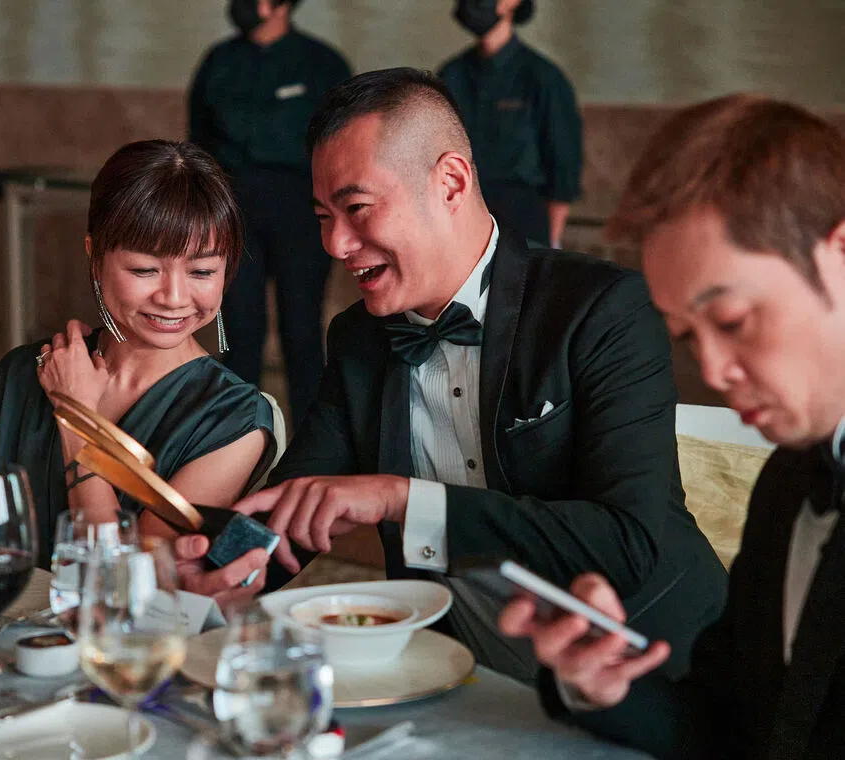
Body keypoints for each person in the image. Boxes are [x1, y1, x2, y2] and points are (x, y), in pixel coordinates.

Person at [233, 68, 727, 684]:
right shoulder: (359, 338)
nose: (335, 243)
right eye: (322, 216)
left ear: (451, 182)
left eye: (356, 208)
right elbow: (299, 504)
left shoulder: (601, 309)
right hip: (453, 671)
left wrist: (401, 499)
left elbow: (627, 541)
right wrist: (210, 570)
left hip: (646, 674)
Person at [499, 96, 845, 759]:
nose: (711, 370)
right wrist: (600, 682)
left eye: (733, 320)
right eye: (687, 335)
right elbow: (728, 729)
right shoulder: (788, 482)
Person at [0, 140, 279, 605]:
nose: (174, 297)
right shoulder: (19, 375)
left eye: (202, 272)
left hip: (118, 643)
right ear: (95, 256)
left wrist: (76, 418)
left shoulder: (234, 420)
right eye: (145, 269)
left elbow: (121, 591)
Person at [188, 0, 352, 427]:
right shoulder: (219, 61)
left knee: (302, 330)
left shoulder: (322, 64)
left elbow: (344, 145)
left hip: (301, 211)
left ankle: (314, 439)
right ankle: (238, 435)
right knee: (239, 330)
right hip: (234, 213)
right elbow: (197, 142)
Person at [438, 0, 582, 248]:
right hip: (459, 220)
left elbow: (563, 172)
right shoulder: (450, 75)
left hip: (522, 226)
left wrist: (550, 248)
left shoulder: (544, 79)